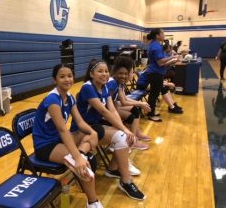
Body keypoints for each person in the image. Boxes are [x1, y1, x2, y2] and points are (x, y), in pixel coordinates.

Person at [71, 59, 146, 200]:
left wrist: (125, 129)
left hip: (95, 126)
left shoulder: (104, 87)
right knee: (124, 135)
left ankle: (118, 174)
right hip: (82, 130)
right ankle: (125, 179)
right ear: (91, 74)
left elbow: (112, 110)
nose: (104, 74)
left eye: (106, 71)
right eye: (100, 71)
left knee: (125, 136)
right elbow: (104, 113)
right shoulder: (87, 87)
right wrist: (124, 128)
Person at [32, 64, 103, 208]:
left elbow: (80, 121)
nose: (67, 79)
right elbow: (63, 130)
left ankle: (81, 153)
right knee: (86, 161)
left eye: (69, 76)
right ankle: (93, 202)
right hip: (46, 145)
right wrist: (77, 157)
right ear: (55, 80)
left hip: (59, 140)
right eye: (62, 76)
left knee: (92, 131)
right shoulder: (53, 100)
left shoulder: (69, 97)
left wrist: (92, 132)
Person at [107, 56, 152, 152]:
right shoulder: (112, 83)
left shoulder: (118, 82)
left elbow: (123, 100)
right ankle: (131, 140)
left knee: (135, 109)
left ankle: (135, 134)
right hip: (105, 112)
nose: (132, 73)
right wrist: (140, 104)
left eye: (128, 72)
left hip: (111, 107)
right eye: (132, 71)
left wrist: (140, 103)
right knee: (133, 113)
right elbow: (109, 105)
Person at [142, 29, 180, 121]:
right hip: (155, 74)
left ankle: (151, 112)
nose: (164, 35)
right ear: (157, 36)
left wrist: (171, 62)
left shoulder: (156, 45)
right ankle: (151, 114)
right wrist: (173, 57)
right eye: (162, 33)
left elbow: (161, 63)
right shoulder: (156, 46)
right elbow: (160, 62)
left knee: (154, 94)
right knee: (154, 95)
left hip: (157, 73)